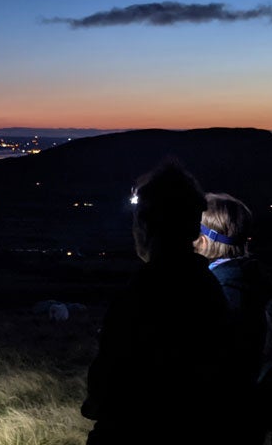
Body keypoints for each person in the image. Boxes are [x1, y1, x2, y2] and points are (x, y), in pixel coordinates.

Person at [81, 160, 237, 444]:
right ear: (193, 228)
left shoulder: (143, 293)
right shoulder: (208, 288)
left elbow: (105, 390)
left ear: (143, 223)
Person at [194, 193, 271, 445]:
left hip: (222, 420)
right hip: (248, 415)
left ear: (204, 242)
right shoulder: (252, 279)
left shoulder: (222, 291)